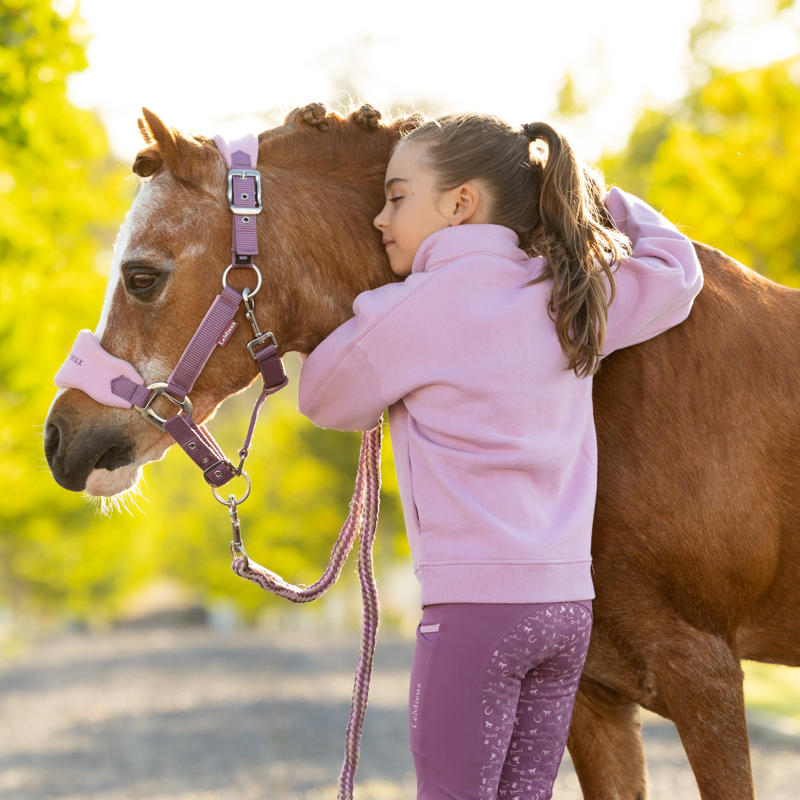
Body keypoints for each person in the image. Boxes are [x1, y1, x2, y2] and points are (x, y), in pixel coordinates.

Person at [297, 113, 703, 800]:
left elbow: (324, 397)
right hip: (566, 610)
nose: (379, 218)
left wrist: (371, 316)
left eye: (397, 197)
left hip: (475, 614)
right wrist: (604, 200)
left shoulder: (411, 310)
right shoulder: (571, 294)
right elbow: (677, 270)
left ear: (461, 204)